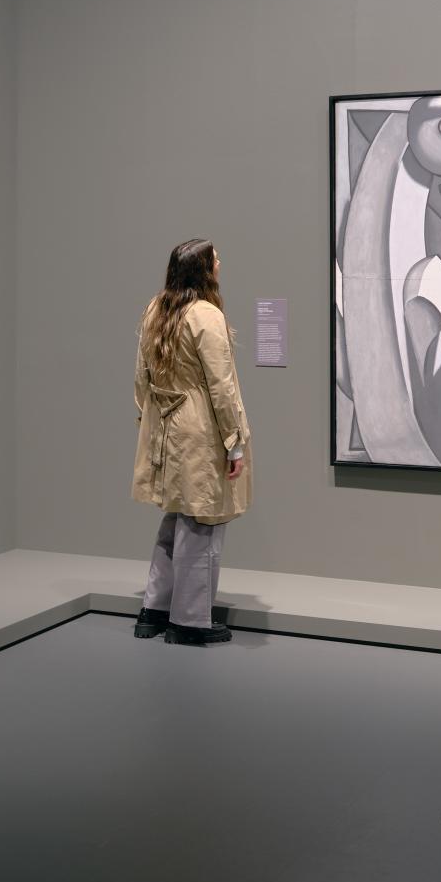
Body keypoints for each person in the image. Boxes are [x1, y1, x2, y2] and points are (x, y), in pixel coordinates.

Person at [130, 238, 251, 645]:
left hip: (165, 427)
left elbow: (141, 378)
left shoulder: (156, 309)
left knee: (175, 518)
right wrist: (234, 442)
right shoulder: (206, 315)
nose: (220, 262)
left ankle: (154, 609)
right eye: (215, 258)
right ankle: (189, 620)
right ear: (203, 269)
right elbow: (222, 387)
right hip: (199, 431)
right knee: (203, 521)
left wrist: (149, 423)